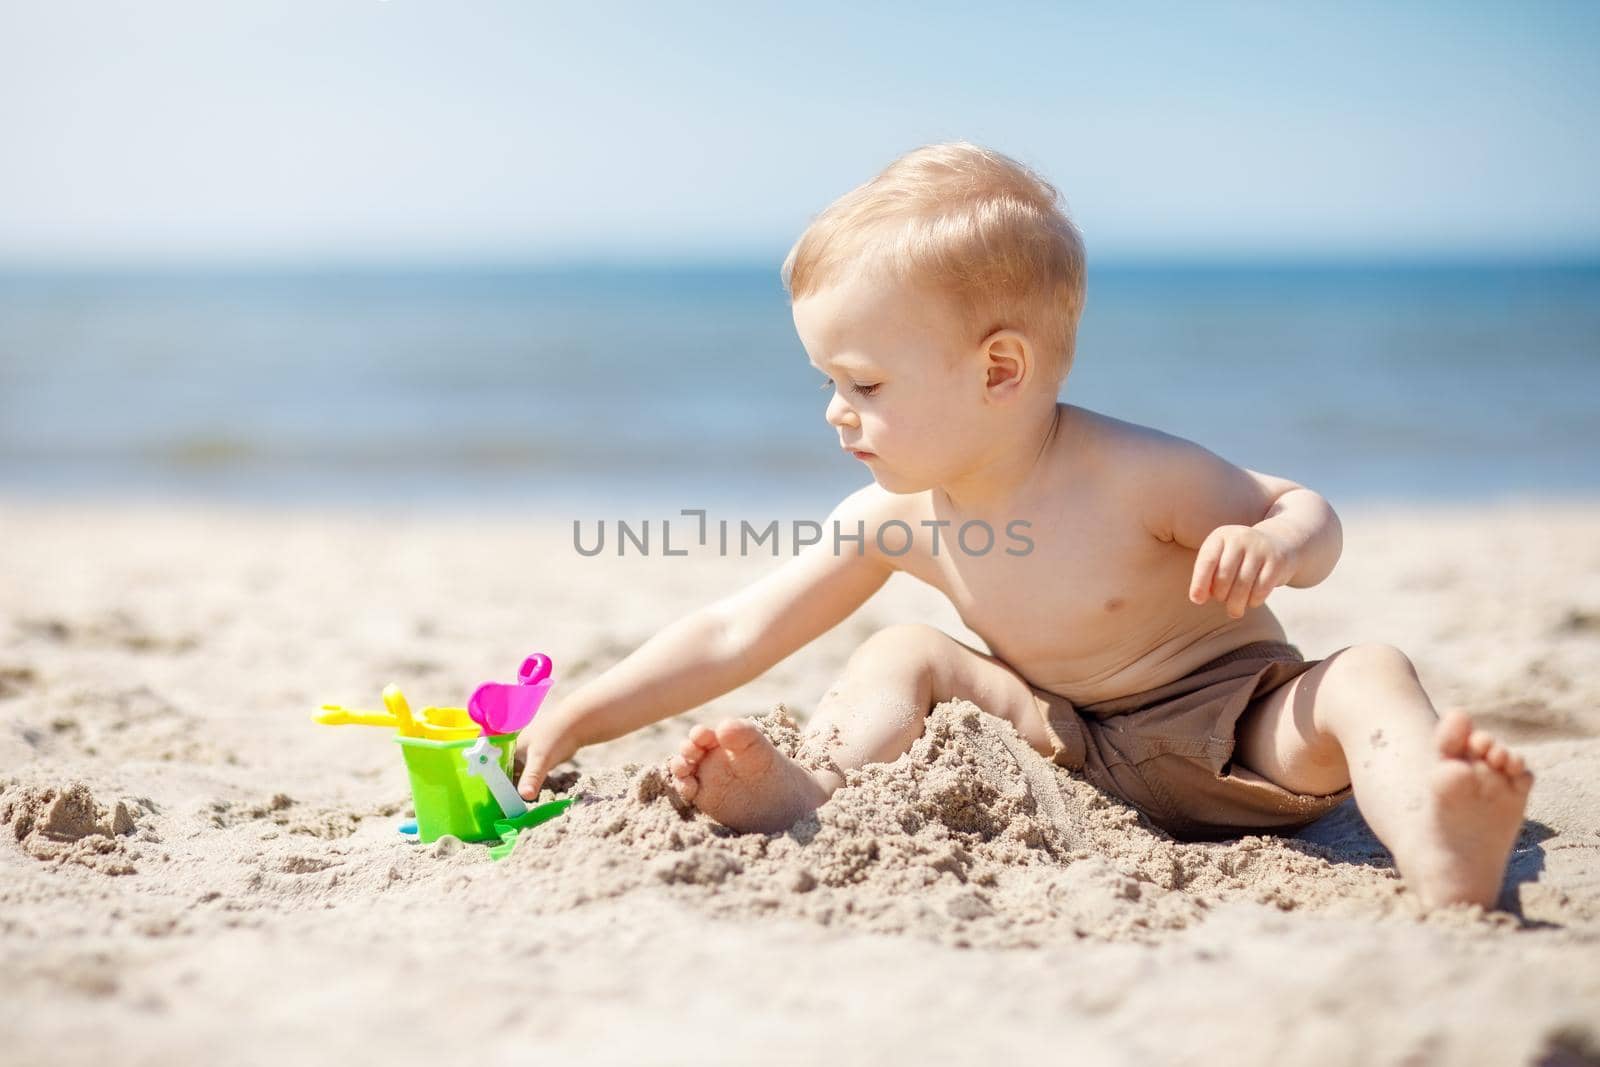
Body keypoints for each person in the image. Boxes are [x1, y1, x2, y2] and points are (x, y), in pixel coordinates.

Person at [514, 142, 1532, 909]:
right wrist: (580, 712)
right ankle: (808, 786)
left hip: (1235, 733)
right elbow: (737, 628)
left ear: (999, 370)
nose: (833, 409)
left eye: (862, 382)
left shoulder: (1133, 473)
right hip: (1062, 743)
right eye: (826, 381)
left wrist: (1276, 546)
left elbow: (1301, 508)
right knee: (902, 646)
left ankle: (1435, 833)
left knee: (1364, 674)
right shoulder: (892, 519)